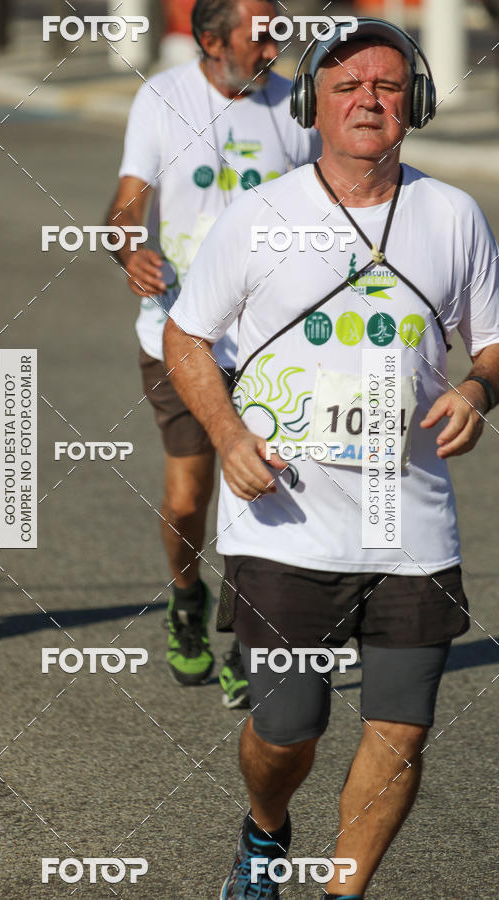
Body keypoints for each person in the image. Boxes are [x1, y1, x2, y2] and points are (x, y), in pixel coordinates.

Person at [164, 17, 499, 899]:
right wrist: (230, 436)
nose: (368, 102)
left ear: (415, 103)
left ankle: (340, 893)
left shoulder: (452, 215)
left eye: (387, 87)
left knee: (402, 731)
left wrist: (476, 391)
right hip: (285, 523)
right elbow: (186, 337)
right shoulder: (260, 216)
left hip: (411, 525)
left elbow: (493, 343)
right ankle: (266, 830)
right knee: (287, 728)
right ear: (314, 105)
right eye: (348, 87)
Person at [107, 0, 321, 705]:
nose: (273, 48)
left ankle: (249, 641)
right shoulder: (162, 97)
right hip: (182, 334)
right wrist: (129, 245)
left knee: (261, 495)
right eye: (261, 35)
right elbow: (127, 200)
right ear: (210, 40)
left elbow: (330, 207)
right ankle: (184, 599)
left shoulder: (296, 105)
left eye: (278, 34)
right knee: (188, 495)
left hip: (270, 342)